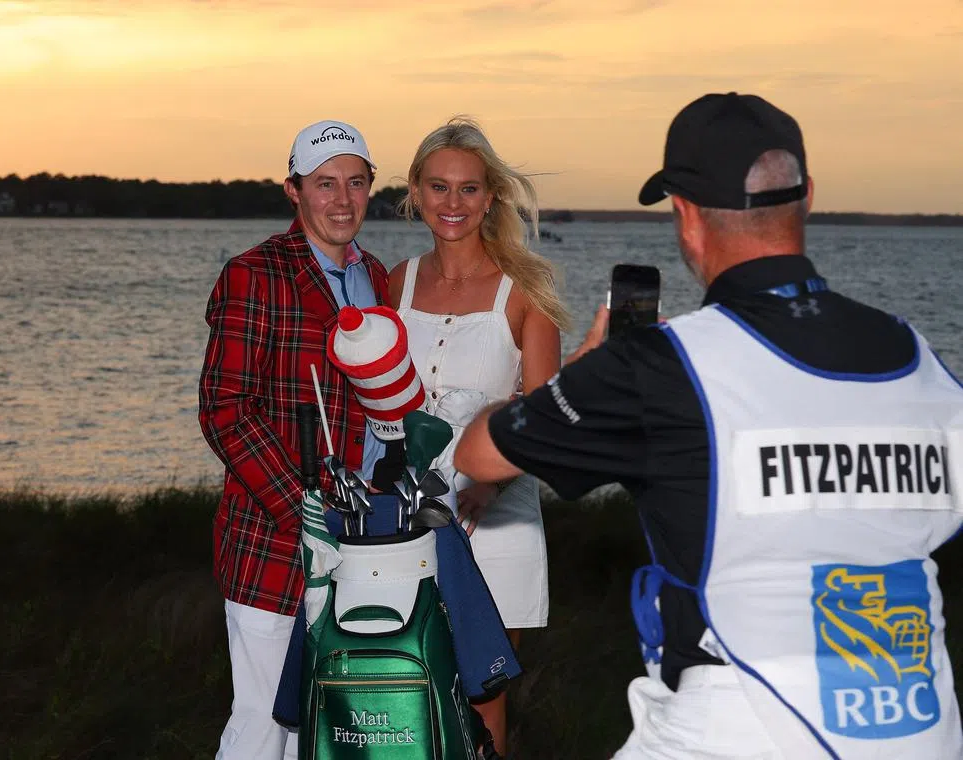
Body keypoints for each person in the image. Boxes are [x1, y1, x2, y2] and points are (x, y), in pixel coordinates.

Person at [453, 92, 963, 759]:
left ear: (685, 216)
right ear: (805, 195)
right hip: (918, 725)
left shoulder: (666, 365)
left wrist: (580, 372)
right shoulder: (915, 356)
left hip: (740, 723)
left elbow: (480, 452)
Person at [198, 119, 392, 760]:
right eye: (325, 183)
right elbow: (224, 409)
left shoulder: (379, 279)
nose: (343, 200)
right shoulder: (254, 273)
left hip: (366, 547)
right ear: (294, 191)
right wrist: (302, 510)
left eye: (356, 183)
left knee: (333, 728)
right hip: (273, 543)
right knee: (263, 724)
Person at [387, 116, 570, 755]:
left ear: (490, 195)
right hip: (407, 518)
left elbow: (544, 417)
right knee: (404, 689)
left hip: (496, 521)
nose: (453, 203)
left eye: (468, 189)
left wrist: (491, 482)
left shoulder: (527, 290)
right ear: (414, 191)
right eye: (438, 187)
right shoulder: (395, 283)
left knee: (481, 695)